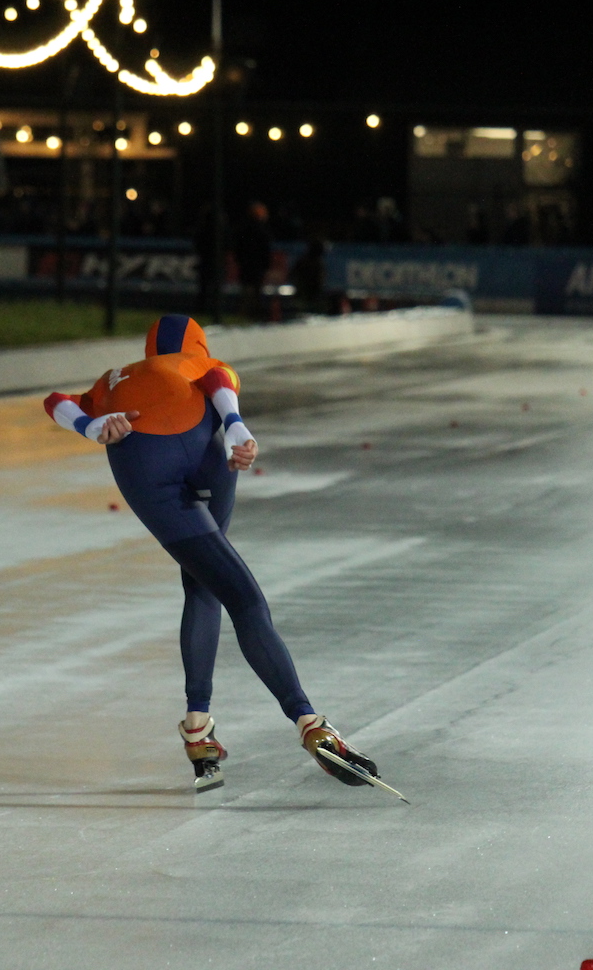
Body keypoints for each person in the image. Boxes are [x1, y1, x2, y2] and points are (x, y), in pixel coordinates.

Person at [42, 315, 382, 793]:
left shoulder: (114, 379)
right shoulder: (201, 362)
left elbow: (53, 400)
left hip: (147, 468)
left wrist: (90, 424)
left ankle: (198, 727)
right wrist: (237, 425)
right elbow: (220, 381)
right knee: (235, 594)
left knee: (214, 585)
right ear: (198, 344)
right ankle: (308, 721)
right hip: (214, 458)